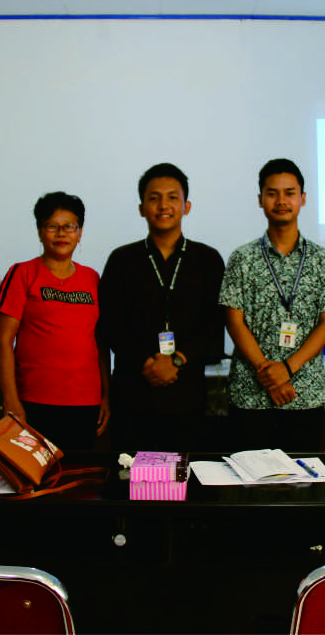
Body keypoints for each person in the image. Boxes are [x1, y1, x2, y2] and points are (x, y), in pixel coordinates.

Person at [220, 158, 325, 451]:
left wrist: (287, 369)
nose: (281, 201)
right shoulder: (242, 258)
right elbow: (234, 322)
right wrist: (269, 374)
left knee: (301, 476)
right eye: (272, 193)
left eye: (289, 193)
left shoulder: (324, 260)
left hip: (303, 393)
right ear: (260, 200)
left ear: (302, 198)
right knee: (247, 475)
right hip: (250, 393)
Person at [98, 163, 225, 451]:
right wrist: (148, 362)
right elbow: (111, 324)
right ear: (141, 208)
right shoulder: (122, 259)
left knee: (183, 474)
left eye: (172, 197)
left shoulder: (208, 259)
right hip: (132, 395)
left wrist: (176, 361)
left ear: (186, 206)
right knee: (128, 475)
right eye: (154, 198)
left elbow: (214, 322)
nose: (163, 206)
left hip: (187, 395)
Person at [0, 192, 109, 450]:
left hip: (85, 403)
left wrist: (106, 396)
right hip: (34, 402)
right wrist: (10, 400)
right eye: (52, 226)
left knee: (80, 474)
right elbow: (2, 341)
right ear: (39, 231)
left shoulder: (92, 278)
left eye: (69, 226)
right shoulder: (22, 273)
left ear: (79, 232)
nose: (61, 233)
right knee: (34, 474)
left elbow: (101, 343)